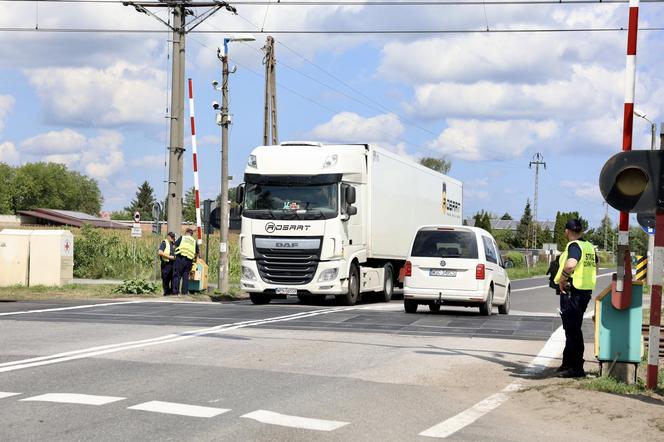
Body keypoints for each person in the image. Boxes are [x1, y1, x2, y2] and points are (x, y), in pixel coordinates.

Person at [553, 219, 597, 378]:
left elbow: (571, 265)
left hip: (573, 292)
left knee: (572, 330)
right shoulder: (589, 247)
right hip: (584, 291)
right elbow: (594, 265)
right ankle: (567, 363)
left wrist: (563, 279)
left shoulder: (574, 246)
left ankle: (577, 368)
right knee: (571, 328)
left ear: (567, 231)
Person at [172, 228, 199, 295]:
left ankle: (175, 292)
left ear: (186, 232)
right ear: (191, 234)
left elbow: (175, 245)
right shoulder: (194, 241)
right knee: (185, 276)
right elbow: (197, 253)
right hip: (189, 261)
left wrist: (174, 253)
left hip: (180, 258)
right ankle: (184, 293)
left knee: (177, 275)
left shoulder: (182, 238)